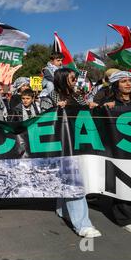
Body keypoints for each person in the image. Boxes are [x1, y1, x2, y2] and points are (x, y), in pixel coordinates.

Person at [40, 68, 102, 238]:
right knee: (74, 181)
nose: (75, 80)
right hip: (61, 146)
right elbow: (41, 117)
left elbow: (85, 115)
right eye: (72, 78)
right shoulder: (51, 96)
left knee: (67, 179)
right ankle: (83, 225)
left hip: (79, 144)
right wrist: (55, 109)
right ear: (62, 79)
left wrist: (92, 107)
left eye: (75, 77)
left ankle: (63, 210)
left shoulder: (78, 96)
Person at [92, 70, 131, 235]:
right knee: (124, 182)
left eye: (129, 81)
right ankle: (125, 218)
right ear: (115, 84)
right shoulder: (109, 101)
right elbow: (94, 116)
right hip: (120, 152)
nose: (128, 84)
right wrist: (103, 107)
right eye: (123, 81)